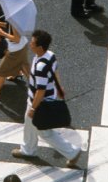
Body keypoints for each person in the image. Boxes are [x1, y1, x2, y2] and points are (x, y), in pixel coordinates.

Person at [11, 30, 81, 168]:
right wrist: (59, 88)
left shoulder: (40, 66)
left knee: (44, 132)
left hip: (39, 103)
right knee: (30, 126)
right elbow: (54, 73)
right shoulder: (50, 55)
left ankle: (71, 152)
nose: (30, 44)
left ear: (40, 47)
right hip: (45, 98)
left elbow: (40, 91)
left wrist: (33, 108)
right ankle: (28, 149)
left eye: (32, 43)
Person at [0, 21, 30, 105]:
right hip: (23, 46)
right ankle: (39, 88)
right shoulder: (18, 16)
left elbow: (16, 39)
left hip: (15, 51)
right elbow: (11, 27)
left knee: (1, 72)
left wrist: (2, 33)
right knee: (23, 65)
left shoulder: (14, 18)